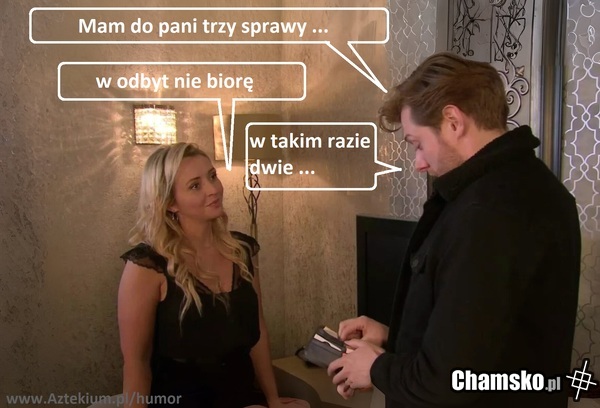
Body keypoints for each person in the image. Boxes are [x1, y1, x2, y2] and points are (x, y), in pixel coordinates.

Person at [327, 52, 581, 408]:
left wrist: (376, 368)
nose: (418, 163)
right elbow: (485, 340)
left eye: (418, 143)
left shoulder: (487, 214)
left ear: (452, 121)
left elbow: (451, 382)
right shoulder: (535, 190)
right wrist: (393, 337)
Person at [118, 143, 307, 408]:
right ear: (171, 203)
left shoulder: (242, 251)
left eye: (212, 176)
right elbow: (136, 364)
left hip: (241, 397)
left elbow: (258, 329)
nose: (214, 189)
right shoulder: (147, 267)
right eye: (195, 185)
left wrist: (272, 398)